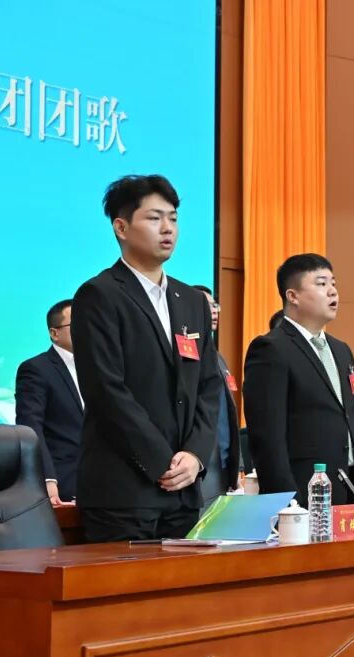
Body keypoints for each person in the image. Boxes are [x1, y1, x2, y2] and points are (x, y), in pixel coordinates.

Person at [71, 175, 221, 542]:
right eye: (154, 218)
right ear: (121, 227)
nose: (168, 228)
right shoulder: (99, 295)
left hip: (184, 490)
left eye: (173, 218)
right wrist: (161, 463)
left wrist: (195, 456)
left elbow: (207, 384)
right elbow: (106, 391)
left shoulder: (192, 301)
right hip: (124, 493)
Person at [243, 253, 354, 508]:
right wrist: (286, 503)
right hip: (304, 492)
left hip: (351, 489)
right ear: (293, 296)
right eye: (321, 283)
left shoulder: (341, 350)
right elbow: (267, 437)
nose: (333, 291)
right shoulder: (271, 348)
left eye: (333, 283)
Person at [14, 299, 83, 505]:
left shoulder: (105, 368)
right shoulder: (37, 369)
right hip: (65, 482)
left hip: (110, 483)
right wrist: (47, 477)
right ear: (55, 333)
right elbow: (30, 425)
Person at [192, 285, 241, 511]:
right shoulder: (185, 356)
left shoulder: (218, 357)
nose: (213, 311)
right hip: (198, 463)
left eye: (215, 306)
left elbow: (228, 416)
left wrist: (238, 464)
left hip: (223, 465)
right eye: (206, 305)